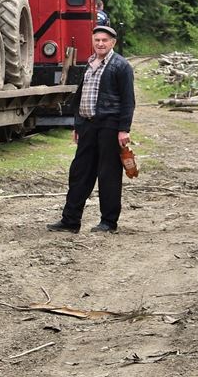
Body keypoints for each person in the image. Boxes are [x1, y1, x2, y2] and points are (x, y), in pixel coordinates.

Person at [47, 24, 135, 234]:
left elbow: (128, 101)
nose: (100, 44)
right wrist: (78, 125)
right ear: (92, 42)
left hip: (109, 126)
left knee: (108, 174)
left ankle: (108, 222)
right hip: (87, 126)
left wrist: (124, 129)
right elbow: (82, 97)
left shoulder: (121, 66)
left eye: (105, 40)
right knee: (79, 172)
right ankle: (70, 221)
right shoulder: (89, 63)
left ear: (113, 43)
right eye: (97, 40)